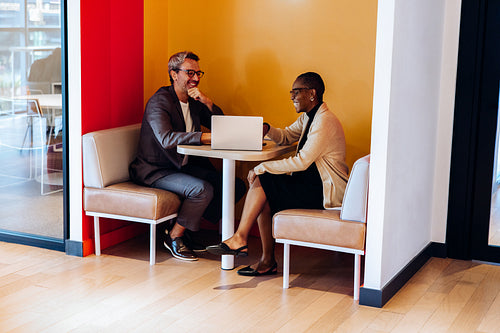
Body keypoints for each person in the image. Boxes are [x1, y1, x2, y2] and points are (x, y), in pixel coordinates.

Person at [206, 72, 349, 276]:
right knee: (264, 192)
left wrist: (261, 167)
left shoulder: (324, 121)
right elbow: (286, 136)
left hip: (323, 193)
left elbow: (302, 161)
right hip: (309, 184)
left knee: (264, 179)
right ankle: (261, 255)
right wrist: (266, 129)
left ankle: (243, 240)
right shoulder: (310, 117)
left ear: (312, 94)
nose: (291, 96)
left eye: (296, 92)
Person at [129, 51, 245, 262]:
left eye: (199, 73)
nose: (196, 78)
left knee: (234, 185)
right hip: (157, 169)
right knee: (202, 189)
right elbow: (166, 138)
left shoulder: (194, 101)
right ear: (174, 74)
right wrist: (204, 138)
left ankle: (186, 225)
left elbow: (222, 127)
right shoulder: (159, 102)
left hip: (182, 166)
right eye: (190, 72)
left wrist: (208, 102)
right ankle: (174, 235)